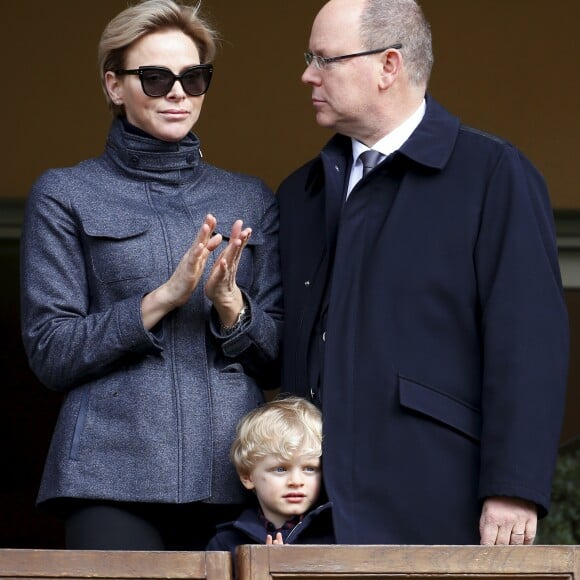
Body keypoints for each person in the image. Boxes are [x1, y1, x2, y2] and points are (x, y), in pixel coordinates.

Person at [276, 0, 569, 546]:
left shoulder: (492, 175)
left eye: (324, 59)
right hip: (312, 516)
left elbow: (529, 342)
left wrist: (513, 486)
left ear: (389, 65)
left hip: (436, 501)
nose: (307, 75)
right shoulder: (301, 194)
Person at [20, 0, 282, 550]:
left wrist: (232, 305)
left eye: (194, 77)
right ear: (115, 86)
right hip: (108, 474)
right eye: (156, 78)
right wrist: (159, 300)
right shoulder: (65, 193)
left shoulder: (249, 197)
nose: (178, 93)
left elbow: (278, 353)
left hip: (237, 474)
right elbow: (51, 351)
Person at [206, 395, 334, 555]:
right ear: (248, 477)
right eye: (281, 469)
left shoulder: (335, 536)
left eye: (309, 468)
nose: (296, 481)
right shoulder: (226, 544)